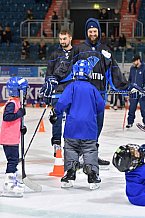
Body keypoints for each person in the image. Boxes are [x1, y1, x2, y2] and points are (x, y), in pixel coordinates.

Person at [76, 18, 128, 167]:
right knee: (84, 125)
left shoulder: (105, 50)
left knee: (98, 126)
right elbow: (68, 70)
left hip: (100, 95)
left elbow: (114, 71)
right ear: (87, 32)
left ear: (99, 32)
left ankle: (92, 155)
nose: (93, 33)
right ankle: (80, 155)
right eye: (90, 31)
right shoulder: (79, 49)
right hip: (84, 96)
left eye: (95, 31)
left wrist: (126, 87)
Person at [49, 60, 105, 189]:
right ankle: (92, 175)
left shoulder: (71, 87)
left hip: (72, 126)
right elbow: (101, 106)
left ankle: (69, 173)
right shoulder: (92, 88)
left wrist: (55, 112)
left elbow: (62, 103)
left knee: (70, 149)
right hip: (89, 127)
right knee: (90, 150)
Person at [43, 29, 78, 157]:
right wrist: (47, 92)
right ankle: (57, 144)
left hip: (72, 92)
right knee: (56, 119)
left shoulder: (77, 53)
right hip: (57, 93)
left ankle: (70, 145)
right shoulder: (54, 54)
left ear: (70, 38)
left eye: (64, 39)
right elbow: (49, 73)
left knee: (72, 119)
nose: (62, 41)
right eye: (60, 39)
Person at [0, 77, 29, 197]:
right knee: (12, 160)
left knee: (15, 159)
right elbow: (7, 117)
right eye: (24, 89)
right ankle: (8, 184)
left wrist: (21, 128)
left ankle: (13, 180)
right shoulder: (12, 103)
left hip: (13, 137)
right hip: (9, 138)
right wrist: (19, 114)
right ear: (19, 91)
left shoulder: (17, 102)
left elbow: (15, 121)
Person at [126, 55, 145, 128]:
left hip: (142, 92)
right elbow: (130, 80)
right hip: (133, 92)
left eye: (134, 61)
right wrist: (129, 89)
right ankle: (130, 122)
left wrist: (143, 89)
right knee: (132, 108)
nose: (133, 63)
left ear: (138, 60)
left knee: (143, 109)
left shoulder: (144, 68)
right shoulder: (132, 68)